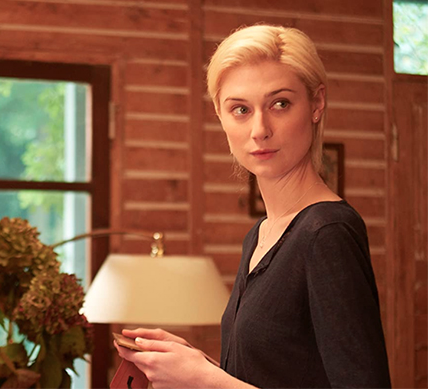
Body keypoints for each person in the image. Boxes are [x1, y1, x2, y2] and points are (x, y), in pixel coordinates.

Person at [115, 24, 391, 388]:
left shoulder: (327, 232)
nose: (259, 129)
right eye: (241, 109)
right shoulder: (261, 234)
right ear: (220, 115)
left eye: (280, 104)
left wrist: (205, 380)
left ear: (317, 104)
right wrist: (196, 366)